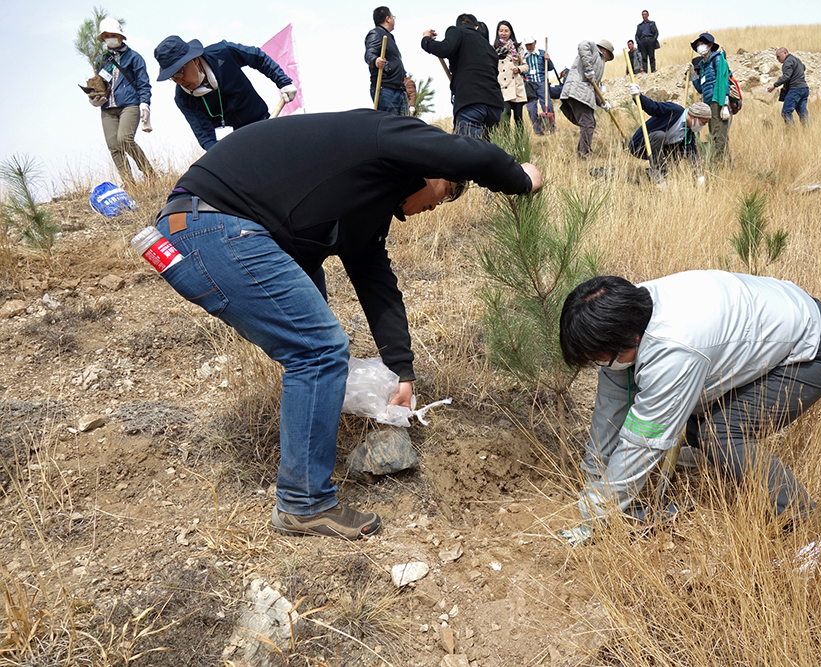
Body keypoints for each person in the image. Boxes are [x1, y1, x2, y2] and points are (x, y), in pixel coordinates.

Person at [150, 110, 542, 539]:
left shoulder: (364, 205)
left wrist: (403, 373)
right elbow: (466, 152)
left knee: (314, 340)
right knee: (317, 351)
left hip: (204, 228)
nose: (436, 206)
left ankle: (309, 463)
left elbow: (377, 286)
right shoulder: (385, 134)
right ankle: (304, 504)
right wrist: (520, 179)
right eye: (446, 191)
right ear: (431, 167)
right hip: (210, 227)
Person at [557, 272, 821, 548]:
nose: (602, 366)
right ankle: (704, 465)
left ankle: (818, 534)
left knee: (719, 433)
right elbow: (612, 402)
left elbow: (644, 439)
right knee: (691, 417)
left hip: (813, 346)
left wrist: (598, 511)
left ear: (630, 340)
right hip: (778, 316)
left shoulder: (674, 348)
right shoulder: (626, 314)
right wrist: (594, 473)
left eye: (601, 358)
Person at [153, 35, 297, 151]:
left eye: (180, 73)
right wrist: (222, 156)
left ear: (195, 60)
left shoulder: (223, 53)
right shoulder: (183, 99)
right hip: (235, 143)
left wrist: (283, 82)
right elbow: (206, 138)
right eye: (173, 78)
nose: (179, 81)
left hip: (263, 121)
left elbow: (257, 56)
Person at [421, 14, 504, 138]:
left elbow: (444, 48)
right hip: (495, 105)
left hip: (471, 103)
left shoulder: (456, 31)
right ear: (476, 27)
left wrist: (427, 40)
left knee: (469, 151)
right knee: (487, 151)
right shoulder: (489, 47)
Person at [93, 18, 155, 184]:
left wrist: (144, 103)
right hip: (107, 108)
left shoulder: (134, 58)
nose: (110, 38)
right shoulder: (101, 60)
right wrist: (95, 97)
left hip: (129, 104)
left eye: (113, 34)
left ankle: (149, 173)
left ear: (120, 36)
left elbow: (143, 83)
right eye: (106, 35)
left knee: (124, 139)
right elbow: (99, 83)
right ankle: (129, 184)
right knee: (114, 146)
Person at [626, 84, 709, 175]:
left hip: (658, 150)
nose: (703, 126)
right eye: (703, 122)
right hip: (640, 145)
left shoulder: (689, 132)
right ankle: (658, 171)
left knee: (681, 150)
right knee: (659, 135)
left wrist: (700, 175)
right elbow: (653, 107)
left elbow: (692, 154)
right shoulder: (674, 111)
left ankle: (661, 173)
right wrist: (638, 96)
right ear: (694, 116)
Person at [560, 39, 615, 158]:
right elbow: (583, 45)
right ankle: (584, 154)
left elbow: (594, 87)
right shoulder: (594, 50)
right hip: (577, 90)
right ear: (605, 51)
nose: (607, 60)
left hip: (584, 94)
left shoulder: (599, 63)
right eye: (608, 57)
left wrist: (603, 103)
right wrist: (588, 68)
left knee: (590, 123)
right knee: (587, 123)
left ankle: (582, 151)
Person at [690, 33, 731, 160]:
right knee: (715, 133)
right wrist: (692, 75)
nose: (699, 47)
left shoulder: (718, 59)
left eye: (701, 44)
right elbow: (701, 89)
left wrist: (724, 102)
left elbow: (724, 80)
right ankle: (726, 165)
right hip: (708, 103)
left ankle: (718, 164)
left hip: (717, 101)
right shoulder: (702, 65)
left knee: (719, 134)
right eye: (697, 45)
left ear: (710, 45)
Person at [365, 7, 408, 116]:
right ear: (388, 19)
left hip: (398, 89)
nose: (394, 20)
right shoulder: (375, 34)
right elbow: (369, 54)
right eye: (393, 17)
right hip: (386, 89)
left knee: (405, 128)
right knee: (390, 126)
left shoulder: (390, 37)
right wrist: (376, 60)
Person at [494, 21, 527, 127]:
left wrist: (518, 69)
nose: (503, 33)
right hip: (502, 85)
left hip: (516, 85)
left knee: (518, 118)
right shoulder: (494, 48)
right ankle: (506, 140)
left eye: (506, 31)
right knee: (506, 113)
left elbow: (526, 66)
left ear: (510, 32)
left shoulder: (517, 47)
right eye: (501, 31)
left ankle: (520, 141)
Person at [523, 37, 558, 134]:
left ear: (535, 42)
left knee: (547, 105)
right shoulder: (524, 57)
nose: (529, 46)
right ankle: (538, 130)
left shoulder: (542, 53)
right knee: (531, 108)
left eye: (530, 44)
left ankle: (551, 127)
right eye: (526, 45)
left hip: (542, 82)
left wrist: (548, 60)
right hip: (530, 85)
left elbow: (550, 68)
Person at [766, 48, 809, 125]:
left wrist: (774, 85)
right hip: (804, 89)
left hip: (795, 90)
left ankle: (791, 133)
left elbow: (786, 76)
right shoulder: (797, 60)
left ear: (785, 53)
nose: (778, 59)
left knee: (786, 112)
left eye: (778, 57)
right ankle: (808, 131)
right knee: (803, 112)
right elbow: (804, 67)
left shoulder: (787, 62)